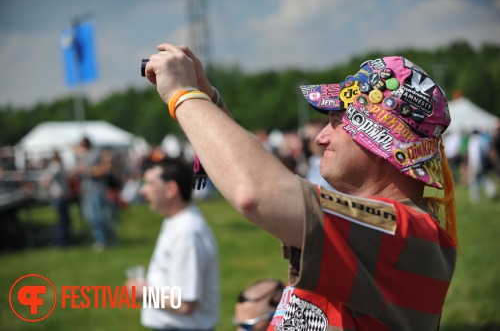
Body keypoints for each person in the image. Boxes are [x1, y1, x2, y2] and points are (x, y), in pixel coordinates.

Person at [144, 46, 458, 330]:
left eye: (337, 120)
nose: (320, 138)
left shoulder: (400, 231)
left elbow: (260, 193)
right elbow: (274, 186)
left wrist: (183, 95)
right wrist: (210, 99)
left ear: (381, 136)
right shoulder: (385, 229)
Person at [126, 157, 220, 331]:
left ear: (170, 189)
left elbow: (185, 304)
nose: (142, 191)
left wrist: (143, 292)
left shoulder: (186, 232)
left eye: (149, 184)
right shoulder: (177, 222)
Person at [75, 137, 115, 251]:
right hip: (87, 190)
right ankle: (102, 239)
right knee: (91, 217)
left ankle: (104, 240)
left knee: (99, 217)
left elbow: (104, 169)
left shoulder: (97, 153)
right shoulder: (83, 156)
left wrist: (86, 170)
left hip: (97, 190)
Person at [41, 151, 72, 247]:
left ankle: (62, 241)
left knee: (63, 221)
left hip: (60, 196)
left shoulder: (55, 166)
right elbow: (47, 179)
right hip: (59, 197)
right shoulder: (56, 166)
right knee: (63, 221)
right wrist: (46, 185)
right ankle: (61, 242)